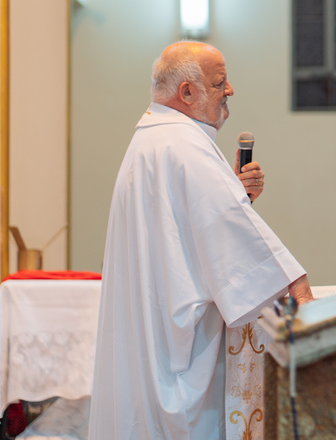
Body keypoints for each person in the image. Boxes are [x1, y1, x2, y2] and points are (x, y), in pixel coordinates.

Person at [89, 42, 313, 439]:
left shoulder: (154, 138)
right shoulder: (183, 145)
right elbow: (227, 227)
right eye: (219, 82)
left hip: (153, 340)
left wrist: (236, 195)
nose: (230, 91)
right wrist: (299, 293)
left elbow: (186, 232)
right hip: (177, 357)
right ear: (187, 92)